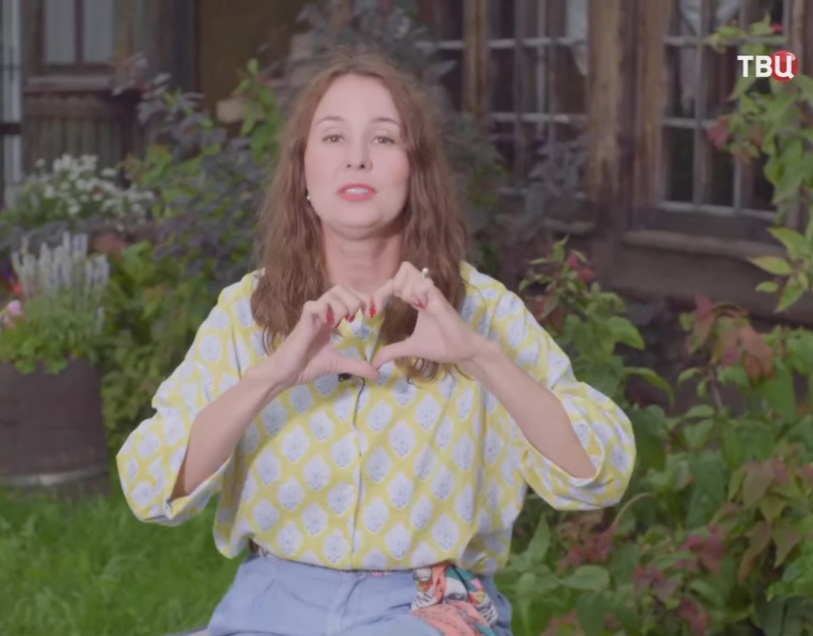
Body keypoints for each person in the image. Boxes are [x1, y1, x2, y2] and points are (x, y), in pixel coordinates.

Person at [116, 51, 636, 636]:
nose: (357, 157)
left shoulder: (482, 312)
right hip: (270, 604)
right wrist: (270, 377)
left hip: (429, 609)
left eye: (384, 139)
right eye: (333, 137)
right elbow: (150, 487)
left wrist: (478, 356)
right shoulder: (245, 313)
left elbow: (600, 473)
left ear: (417, 171)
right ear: (303, 172)